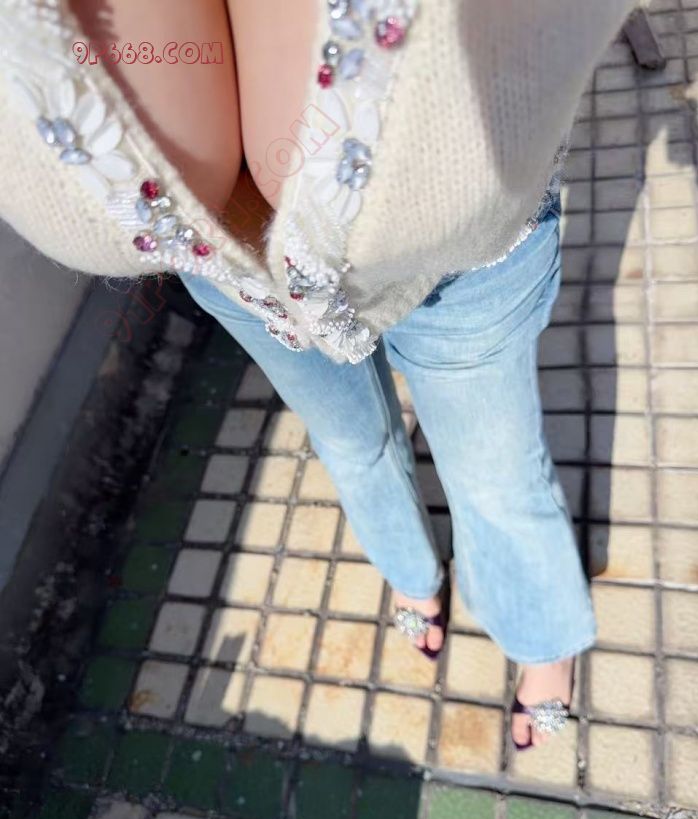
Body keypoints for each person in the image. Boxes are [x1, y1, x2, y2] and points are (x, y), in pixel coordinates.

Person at [0, 0, 643, 748]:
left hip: (465, 239)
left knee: (494, 472)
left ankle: (537, 633)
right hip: (247, 272)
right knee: (351, 443)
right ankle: (411, 571)